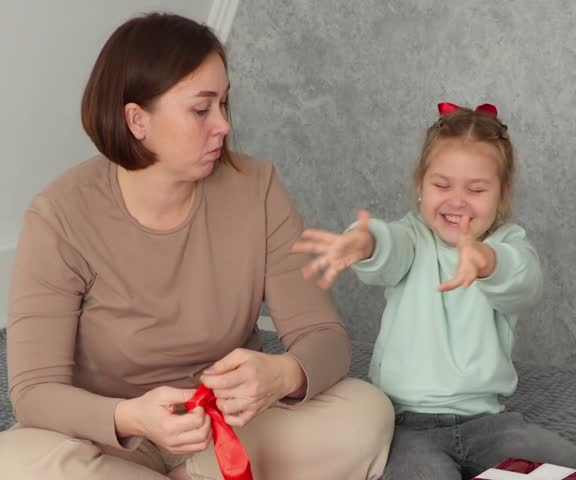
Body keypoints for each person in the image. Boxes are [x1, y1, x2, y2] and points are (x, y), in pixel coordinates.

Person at [0, 12, 393, 480]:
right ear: (137, 120)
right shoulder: (58, 216)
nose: (223, 125)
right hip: (108, 440)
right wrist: (131, 417)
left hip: (230, 429)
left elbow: (324, 335)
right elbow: (35, 391)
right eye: (202, 109)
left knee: (365, 413)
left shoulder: (258, 188)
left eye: (224, 104)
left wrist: (283, 374)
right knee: (13, 461)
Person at [292, 102, 576, 479]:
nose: (457, 200)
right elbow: (389, 245)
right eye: (441, 185)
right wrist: (365, 242)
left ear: (502, 193)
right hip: (405, 423)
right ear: (421, 185)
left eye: (476, 189)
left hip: (488, 422)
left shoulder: (508, 245)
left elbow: (524, 279)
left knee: (573, 468)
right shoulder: (412, 237)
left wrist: (487, 261)